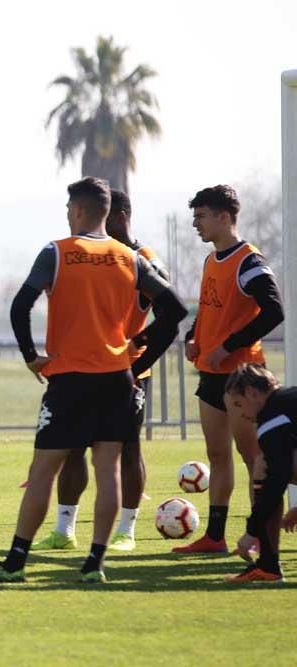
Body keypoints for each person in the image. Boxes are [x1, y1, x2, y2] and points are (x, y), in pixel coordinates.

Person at [0, 177, 186, 584]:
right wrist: (138, 358)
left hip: (69, 381)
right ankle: (94, 564)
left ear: (80, 210)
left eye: (69, 208)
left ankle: (16, 563)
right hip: (116, 381)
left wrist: (32, 357)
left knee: (43, 471)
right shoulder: (131, 258)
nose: (67, 215)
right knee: (108, 471)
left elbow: (21, 306)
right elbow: (174, 311)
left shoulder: (58, 252)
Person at [29, 189, 170, 553]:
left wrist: (136, 356)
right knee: (73, 449)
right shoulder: (86, 255)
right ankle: (65, 528)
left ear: (120, 215)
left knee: (127, 449)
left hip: (127, 374)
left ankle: (126, 530)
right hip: (83, 369)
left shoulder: (141, 258)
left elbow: (170, 311)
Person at [174, 185, 284, 554]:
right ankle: (215, 537)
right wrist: (194, 336)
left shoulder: (249, 262)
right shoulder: (211, 260)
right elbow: (208, 309)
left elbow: (274, 311)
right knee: (217, 456)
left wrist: (229, 346)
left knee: (255, 458)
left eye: (201, 216)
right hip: (211, 374)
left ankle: (261, 540)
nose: (195, 224)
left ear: (224, 217)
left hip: (243, 379)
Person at [224, 364, 294, 583]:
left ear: (252, 393)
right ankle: (267, 565)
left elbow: (277, 478)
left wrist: (251, 532)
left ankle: (268, 566)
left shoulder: (272, 419)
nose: (242, 414)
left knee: (264, 466)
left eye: (238, 404)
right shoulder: (287, 400)